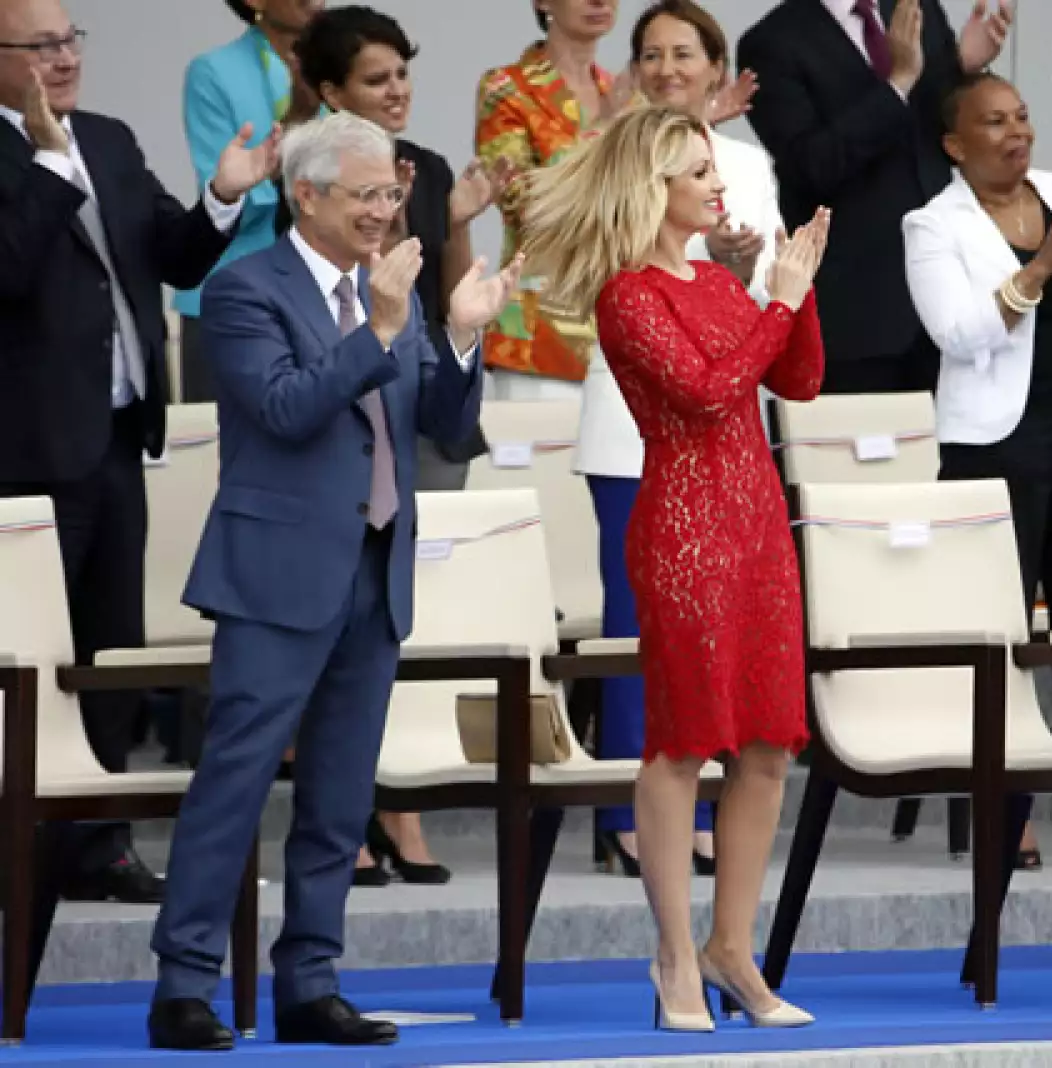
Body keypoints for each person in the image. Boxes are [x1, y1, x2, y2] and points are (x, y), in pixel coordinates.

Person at [146, 111, 518, 1051]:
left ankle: (311, 980)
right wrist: (382, 329)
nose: (385, 212)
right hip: (277, 572)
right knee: (234, 782)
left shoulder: (391, 286)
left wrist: (464, 340)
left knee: (342, 794)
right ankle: (183, 981)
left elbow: (438, 418)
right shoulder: (244, 292)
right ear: (303, 194)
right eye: (366, 195)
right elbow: (281, 410)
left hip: (378, 563)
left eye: (392, 194)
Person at [516, 105, 827, 1031]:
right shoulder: (629, 295)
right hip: (684, 531)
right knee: (684, 741)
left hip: (760, 526)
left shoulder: (721, 285)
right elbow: (702, 392)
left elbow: (799, 380)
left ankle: (734, 948)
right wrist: (772, 301)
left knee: (769, 743)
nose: (717, 184)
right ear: (654, 185)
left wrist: (793, 289)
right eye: (698, 172)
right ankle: (675, 956)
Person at [0, 0, 274, 907]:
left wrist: (224, 197)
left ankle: (96, 843)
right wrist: (43, 162)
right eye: (42, 45)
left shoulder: (109, 140)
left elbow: (177, 255)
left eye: (73, 38)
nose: (65, 57)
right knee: (27, 666)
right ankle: (18, 846)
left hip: (118, 437)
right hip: (24, 453)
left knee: (112, 653)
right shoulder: (24, 156)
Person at [275, 4, 513, 887]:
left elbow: (446, 301)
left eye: (403, 74)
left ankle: (402, 808)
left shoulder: (435, 167)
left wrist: (457, 228)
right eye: (377, 80)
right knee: (334, 626)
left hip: (420, 408)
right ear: (329, 92)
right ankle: (351, 809)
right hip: (341, 424)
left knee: (404, 619)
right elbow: (311, 320)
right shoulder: (300, 178)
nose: (398, 91)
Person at [903, 72, 1052, 872]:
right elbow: (960, 334)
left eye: (1023, 117)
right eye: (994, 122)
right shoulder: (932, 225)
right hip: (996, 441)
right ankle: (1004, 803)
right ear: (954, 143)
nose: (1017, 133)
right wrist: (1039, 267)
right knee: (998, 626)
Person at [573, 0, 781, 881]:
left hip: (732, 434)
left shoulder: (744, 163)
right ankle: (639, 815)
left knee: (738, 673)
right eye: (648, 54)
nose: (665, 68)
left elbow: (767, 274)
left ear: (714, 66)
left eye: (682, 53)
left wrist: (753, 277)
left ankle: (697, 835)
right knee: (645, 634)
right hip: (640, 429)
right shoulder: (618, 159)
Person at [739, 0, 1013, 394]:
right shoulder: (772, 41)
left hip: (947, 297)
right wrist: (897, 83)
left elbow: (936, 133)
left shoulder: (915, 9)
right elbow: (812, 165)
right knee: (856, 448)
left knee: (957, 449)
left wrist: (961, 68)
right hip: (858, 310)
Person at [475, 0, 628, 401]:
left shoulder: (621, 93)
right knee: (541, 462)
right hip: (538, 331)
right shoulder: (506, 89)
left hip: (622, 327)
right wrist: (602, 129)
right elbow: (524, 203)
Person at [174, 0, 324, 403]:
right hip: (234, 293)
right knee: (224, 452)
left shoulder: (337, 70)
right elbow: (225, 199)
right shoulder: (214, 72)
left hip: (322, 294)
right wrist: (298, 119)